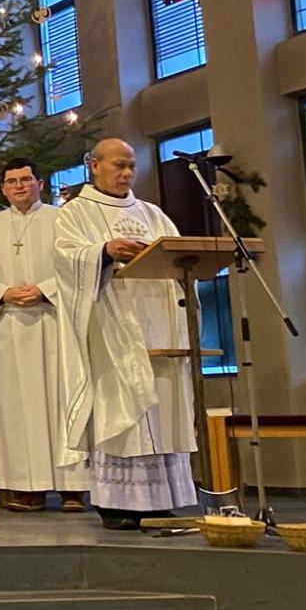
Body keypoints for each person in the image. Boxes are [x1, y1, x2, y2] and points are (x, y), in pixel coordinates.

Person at [55, 137, 198, 530]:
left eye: (132, 166)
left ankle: (159, 500)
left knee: (162, 409)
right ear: (94, 166)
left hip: (158, 328)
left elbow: (182, 255)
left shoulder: (153, 214)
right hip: (112, 327)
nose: (127, 173)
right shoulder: (74, 214)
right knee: (122, 411)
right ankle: (117, 503)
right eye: (118, 165)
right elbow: (65, 258)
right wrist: (102, 251)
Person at [0, 159, 88, 513]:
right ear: (3, 188)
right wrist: (3, 292)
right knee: (18, 408)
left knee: (63, 402)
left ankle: (72, 488)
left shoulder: (61, 220)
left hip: (55, 323)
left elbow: (78, 263)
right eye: (12, 181)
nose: (19, 186)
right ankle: (26, 487)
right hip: (12, 328)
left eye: (26, 179)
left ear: (40, 183)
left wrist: (45, 289)